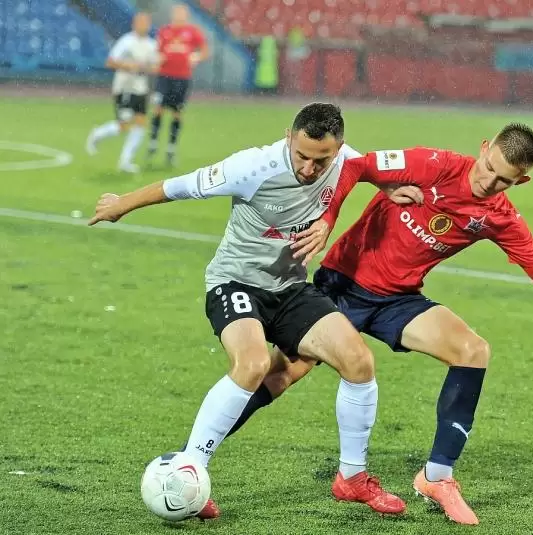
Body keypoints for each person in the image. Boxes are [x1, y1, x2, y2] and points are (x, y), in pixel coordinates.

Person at [222, 123, 533, 525]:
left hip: (398, 301)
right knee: (279, 375)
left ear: (520, 182)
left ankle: (436, 476)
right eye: (489, 168)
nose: (488, 182)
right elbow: (356, 165)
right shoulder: (434, 164)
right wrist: (328, 220)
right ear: (484, 148)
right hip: (342, 285)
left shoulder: (500, 217)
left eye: (503, 180)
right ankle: (194, 460)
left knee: (472, 350)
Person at [89, 104, 417, 520]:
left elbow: (369, 168)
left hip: (290, 288)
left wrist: (389, 187)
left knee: (358, 361)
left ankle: (352, 478)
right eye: (302, 156)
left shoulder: (345, 160)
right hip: (235, 283)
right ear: (288, 137)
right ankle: (191, 469)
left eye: (321, 161)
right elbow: (181, 186)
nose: (310, 169)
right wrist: (122, 204)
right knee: (253, 363)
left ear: (337, 149)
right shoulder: (251, 167)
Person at [85, 12, 158, 173]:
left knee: (140, 124)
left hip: (140, 88)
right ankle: (98, 133)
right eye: (140, 22)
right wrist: (128, 66)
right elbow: (110, 62)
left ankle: (125, 161)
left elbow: (155, 66)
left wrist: (146, 67)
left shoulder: (152, 44)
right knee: (124, 125)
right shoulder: (126, 41)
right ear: (134, 24)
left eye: (146, 22)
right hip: (125, 88)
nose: (143, 25)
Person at [147, 3, 209, 167]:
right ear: (172, 15)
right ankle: (153, 141)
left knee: (177, 112)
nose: (179, 16)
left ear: (186, 15)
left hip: (182, 78)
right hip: (164, 77)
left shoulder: (192, 32)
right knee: (158, 108)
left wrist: (196, 57)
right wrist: (157, 59)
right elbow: (157, 51)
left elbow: (205, 51)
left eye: (182, 13)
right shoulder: (164, 31)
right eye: (177, 13)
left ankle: (171, 147)